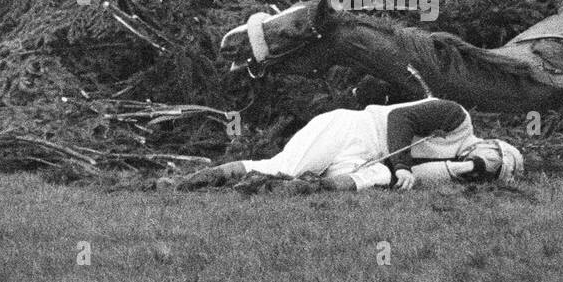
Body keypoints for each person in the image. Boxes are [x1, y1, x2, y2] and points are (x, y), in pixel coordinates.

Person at [170, 97, 525, 191]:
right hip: (351, 129)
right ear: (492, 143)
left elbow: (414, 177)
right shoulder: (456, 117)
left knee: (376, 181)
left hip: (365, 159)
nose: (485, 163)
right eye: (493, 157)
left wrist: (466, 168)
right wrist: (401, 166)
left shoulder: (454, 167)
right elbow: (400, 120)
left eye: (491, 171)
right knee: (282, 167)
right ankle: (184, 183)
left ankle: (303, 192)